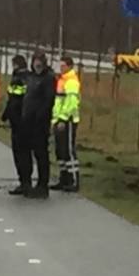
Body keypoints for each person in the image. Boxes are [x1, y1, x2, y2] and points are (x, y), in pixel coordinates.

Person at [20, 51, 55, 199]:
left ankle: (42, 185)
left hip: (40, 123)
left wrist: (40, 116)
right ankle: (26, 183)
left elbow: (48, 101)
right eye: (35, 61)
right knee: (26, 153)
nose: (37, 64)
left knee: (41, 154)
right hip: (27, 121)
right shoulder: (31, 77)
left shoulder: (48, 78)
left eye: (40, 61)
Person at [51, 55, 81, 192]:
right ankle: (64, 178)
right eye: (60, 65)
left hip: (68, 120)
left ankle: (74, 180)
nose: (61, 68)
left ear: (69, 66)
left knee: (68, 151)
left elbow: (71, 103)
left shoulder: (71, 81)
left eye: (63, 65)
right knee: (60, 151)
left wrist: (63, 118)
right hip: (59, 120)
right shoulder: (62, 80)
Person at [1, 54, 29, 195]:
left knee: (21, 152)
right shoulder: (16, 77)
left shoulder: (22, 79)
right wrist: (6, 114)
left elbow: (18, 101)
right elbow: (11, 99)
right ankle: (23, 181)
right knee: (19, 152)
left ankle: (25, 182)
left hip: (21, 122)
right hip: (16, 120)